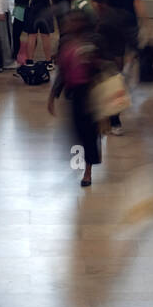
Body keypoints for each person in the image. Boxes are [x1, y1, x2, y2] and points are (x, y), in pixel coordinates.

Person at [48, 12, 102, 187]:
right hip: (73, 93)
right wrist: (53, 95)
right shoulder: (66, 43)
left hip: (90, 93)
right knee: (77, 130)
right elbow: (62, 71)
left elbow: (100, 69)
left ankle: (88, 171)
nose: (69, 24)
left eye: (73, 21)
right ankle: (81, 159)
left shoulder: (92, 42)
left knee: (89, 133)